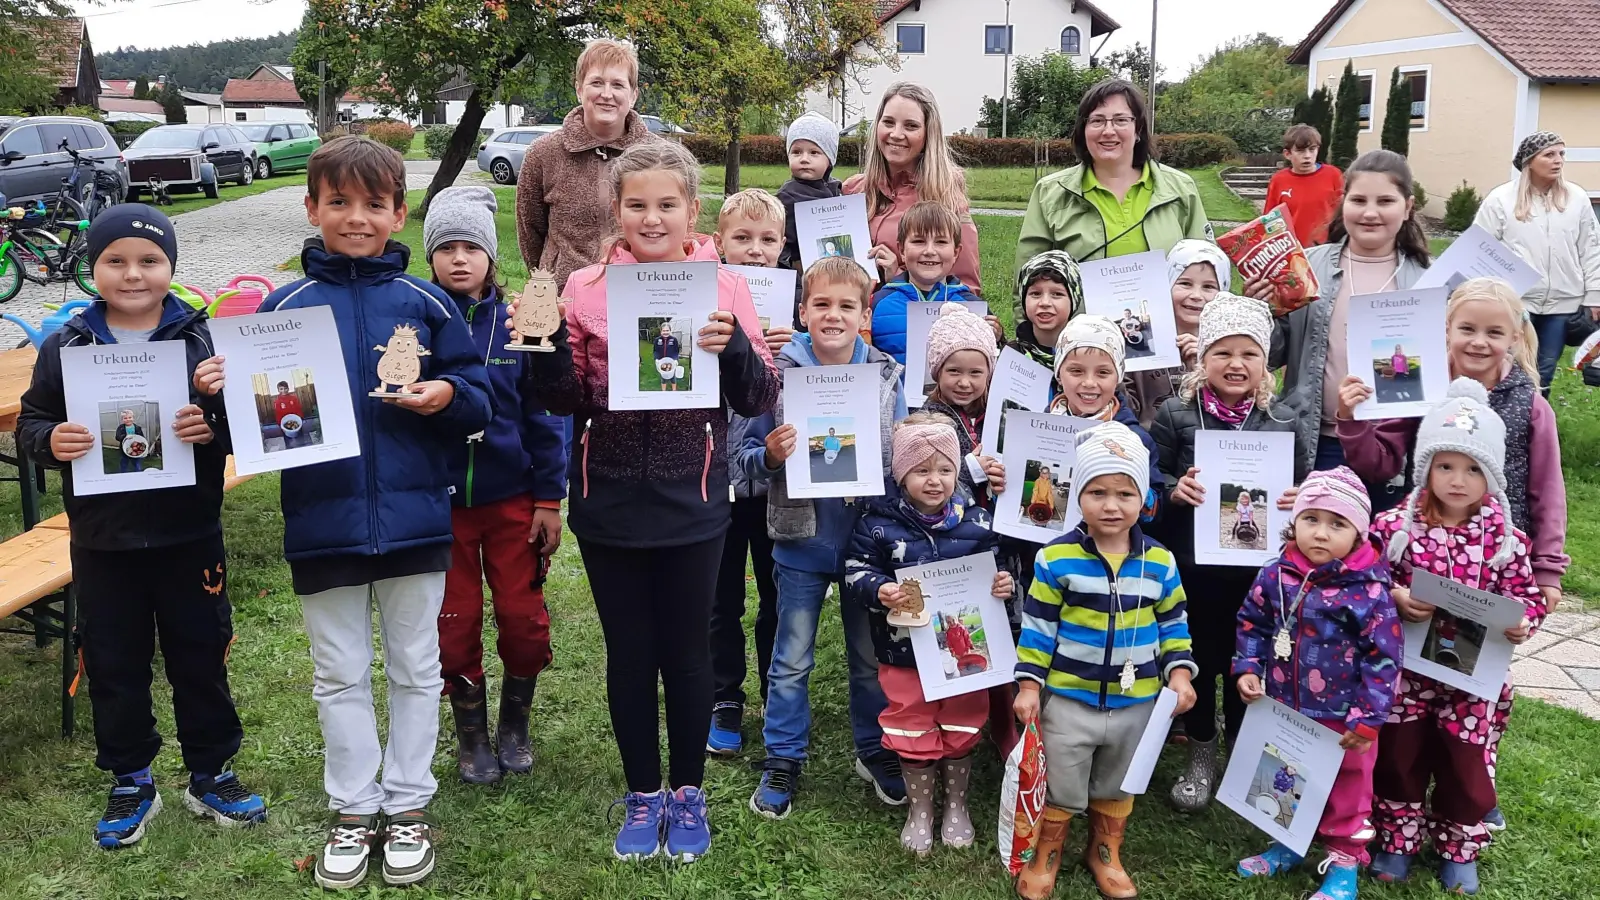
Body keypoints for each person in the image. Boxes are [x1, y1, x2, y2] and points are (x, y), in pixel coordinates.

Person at [195, 137, 493, 889]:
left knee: (417, 668)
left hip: (416, 523)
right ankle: (355, 808)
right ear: (312, 209)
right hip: (321, 525)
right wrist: (218, 395)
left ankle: (409, 802)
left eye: (373, 204)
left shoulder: (427, 304)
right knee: (339, 674)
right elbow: (242, 436)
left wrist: (447, 395)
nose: (356, 217)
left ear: (398, 212)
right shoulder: (281, 310)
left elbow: (480, 398)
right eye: (339, 202)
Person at [515, 139, 778, 863]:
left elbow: (759, 396)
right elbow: (562, 399)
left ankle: (687, 792)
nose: (652, 218)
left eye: (667, 204)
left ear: (693, 210)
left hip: (694, 500)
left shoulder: (725, 287)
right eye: (637, 205)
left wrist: (734, 348)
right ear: (616, 208)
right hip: (608, 500)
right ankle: (642, 792)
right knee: (630, 656)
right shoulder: (584, 287)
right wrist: (543, 345)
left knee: (688, 656)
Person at [19, 204, 266, 849]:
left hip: (190, 534)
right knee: (114, 662)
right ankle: (131, 778)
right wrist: (52, 440)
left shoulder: (201, 341)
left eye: (150, 260)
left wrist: (211, 425)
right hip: (104, 541)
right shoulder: (66, 346)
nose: (133, 274)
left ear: (171, 268)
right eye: (115, 261)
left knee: (201, 655)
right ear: (92, 268)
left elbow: (243, 427)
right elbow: (31, 422)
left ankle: (211, 772)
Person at [1336, 279, 1567, 834]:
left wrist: (1547, 570)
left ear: (1516, 337)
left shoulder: (1531, 405)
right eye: (1467, 328)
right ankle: (1399, 801)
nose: (1479, 341)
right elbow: (1380, 461)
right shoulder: (1418, 386)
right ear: (1446, 331)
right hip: (1420, 559)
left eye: (1494, 331)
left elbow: (1548, 490)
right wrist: (1353, 420)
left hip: (1492, 566)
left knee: (1476, 689)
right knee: (1408, 690)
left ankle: (1470, 791)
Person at [737, 255, 905, 820]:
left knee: (868, 658)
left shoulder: (887, 376)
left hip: (867, 544)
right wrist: (771, 455)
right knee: (791, 659)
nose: (833, 315)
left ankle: (874, 749)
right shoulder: (776, 376)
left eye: (846, 306)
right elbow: (745, 458)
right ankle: (783, 757)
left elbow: (905, 455)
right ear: (802, 311)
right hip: (801, 538)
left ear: (864, 317)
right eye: (822, 305)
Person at [1367, 380, 1547, 895]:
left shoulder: (1506, 540)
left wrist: (1522, 622)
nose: (1458, 480)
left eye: (1473, 469)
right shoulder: (1394, 529)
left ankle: (1458, 845)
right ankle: (1397, 840)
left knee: (1465, 765)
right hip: (1405, 675)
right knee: (1399, 757)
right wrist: (1395, 596)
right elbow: (1363, 580)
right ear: (1425, 468)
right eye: (1445, 466)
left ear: (1492, 476)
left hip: (1473, 683)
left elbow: (1526, 595)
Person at [1012, 421, 1197, 900]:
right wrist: (1029, 686)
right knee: (1061, 779)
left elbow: (1174, 622)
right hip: (1069, 698)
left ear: (1143, 499)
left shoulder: (1161, 562)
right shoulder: (1056, 558)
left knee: (1119, 781)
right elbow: (1038, 627)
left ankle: (1105, 851)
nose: (1111, 505)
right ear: (1078, 496)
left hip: (1137, 700)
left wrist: (1179, 673)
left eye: (1124, 493)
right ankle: (1047, 852)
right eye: (1097, 492)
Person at [424, 186, 563, 786]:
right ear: (429, 256)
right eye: (446, 248)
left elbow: (544, 414)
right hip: (441, 506)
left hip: (513, 501)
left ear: (491, 255)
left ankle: (514, 723)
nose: (459, 259)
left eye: (471, 247)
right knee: (453, 624)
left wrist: (549, 498)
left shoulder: (517, 325)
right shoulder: (417, 322)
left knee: (523, 619)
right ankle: (472, 734)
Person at [1152, 294, 1306, 813]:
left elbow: (1304, 485)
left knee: (1249, 661)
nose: (1235, 364)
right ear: (1203, 358)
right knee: (1198, 658)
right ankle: (1201, 751)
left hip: (1256, 579)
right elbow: (1152, 480)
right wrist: (1174, 490)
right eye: (1222, 352)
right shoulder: (1176, 413)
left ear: (1266, 362)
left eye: (1249, 354)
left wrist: (1296, 499)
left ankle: (1242, 750)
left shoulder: (1281, 420)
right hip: (1193, 571)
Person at [844, 412, 1014, 856]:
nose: (934, 480)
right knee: (911, 723)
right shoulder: (877, 523)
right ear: (901, 475)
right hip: (903, 652)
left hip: (965, 653)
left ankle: (956, 804)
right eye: (921, 470)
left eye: (944, 469)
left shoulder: (978, 521)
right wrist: (878, 589)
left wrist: (1003, 583)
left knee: (963, 719)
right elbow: (855, 571)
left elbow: (1000, 567)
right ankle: (920, 810)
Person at [1233, 466, 1402, 900]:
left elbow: (1384, 658)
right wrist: (1248, 667)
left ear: (1359, 533)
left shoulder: (1369, 591)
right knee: (1285, 775)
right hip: (1285, 707)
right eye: (1311, 519)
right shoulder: (1275, 575)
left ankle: (1344, 864)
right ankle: (1288, 843)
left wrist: (1367, 719)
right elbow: (1252, 622)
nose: (1321, 533)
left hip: (1344, 718)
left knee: (1347, 790)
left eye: (1337, 523)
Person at [1250, 149, 1431, 489]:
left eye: (1385, 201)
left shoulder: (1429, 281)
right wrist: (1259, 313)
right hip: (1313, 440)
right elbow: (1270, 356)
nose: (1370, 213)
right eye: (1358, 200)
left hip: (1388, 448)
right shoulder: (1305, 267)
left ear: (1407, 207)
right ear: (1343, 202)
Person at [1014, 77, 1212, 316]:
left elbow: (1209, 271)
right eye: (1097, 120)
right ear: (1083, 130)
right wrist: (1029, 334)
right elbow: (1025, 282)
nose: (1108, 131)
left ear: (1138, 130)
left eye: (1120, 120)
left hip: (1170, 336)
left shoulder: (1181, 189)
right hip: (1076, 337)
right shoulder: (1050, 192)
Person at [708, 188, 789, 758]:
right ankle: (724, 697)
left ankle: (774, 691)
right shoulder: (704, 303)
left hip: (777, 483)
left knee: (777, 593)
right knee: (720, 598)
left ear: (782, 246)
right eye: (743, 238)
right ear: (720, 243)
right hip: (717, 475)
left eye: (767, 240)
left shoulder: (795, 310)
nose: (755, 250)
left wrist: (795, 347)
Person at [515, 38, 659, 292]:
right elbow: (530, 231)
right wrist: (550, 277)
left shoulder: (659, 155)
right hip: (564, 297)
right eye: (596, 83)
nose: (607, 94)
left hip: (639, 294)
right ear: (579, 89)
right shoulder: (543, 153)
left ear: (633, 95)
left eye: (618, 84)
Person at [1474, 131, 1600, 393]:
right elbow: (1479, 248)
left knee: (1545, 371)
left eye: (1561, 154)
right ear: (1529, 161)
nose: (1558, 160)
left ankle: (1538, 418)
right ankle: (1506, 414)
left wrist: (1594, 296)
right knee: (1510, 367)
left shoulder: (1577, 198)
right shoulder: (1500, 199)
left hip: (1563, 303)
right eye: (1549, 154)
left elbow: (1592, 249)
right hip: (1517, 303)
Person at [842, 82, 981, 292]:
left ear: (928, 134)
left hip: (905, 313)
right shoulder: (852, 190)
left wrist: (899, 278)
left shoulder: (946, 196)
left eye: (910, 126)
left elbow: (967, 290)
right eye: (888, 122)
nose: (896, 134)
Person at [1047, 315, 1163, 511]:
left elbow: (1156, 511)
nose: (1089, 383)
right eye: (1076, 371)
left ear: (1118, 376)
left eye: (1103, 372)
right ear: (1059, 374)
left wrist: (1138, 492)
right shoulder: (1036, 429)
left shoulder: (1135, 438)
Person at [1126, 240, 1231, 426]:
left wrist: (1204, 367)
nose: (1196, 295)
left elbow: (1234, 408)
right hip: (1146, 438)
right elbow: (1125, 409)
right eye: (1185, 283)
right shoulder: (1139, 345)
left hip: (1204, 438)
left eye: (1208, 287)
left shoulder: (1230, 346)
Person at [869, 201, 987, 366]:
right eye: (919, 241)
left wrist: (995, 336)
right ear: (902, 250)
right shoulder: (877, 304)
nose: (930, 251)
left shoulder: (972, 307)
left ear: (956, 252)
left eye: (941, 242)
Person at [778, 112, 843, 325]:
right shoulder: (786, 197)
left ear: (830, 159)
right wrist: (792, 268)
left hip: (837, 273)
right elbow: (780, 244)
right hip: (801, 277)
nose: (804, 159)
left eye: (814, 152)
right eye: (796, 152)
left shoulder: (838, 192)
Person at [1010, 251, 1086, 381]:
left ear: (1074, 300)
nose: (1045, 303)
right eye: (1036, 294)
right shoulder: (1011, 356)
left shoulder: (1090, 355)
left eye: (1057, 294)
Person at [1265, 124, 1345, 248]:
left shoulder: (1333, 174)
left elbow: (1343, 213)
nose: (1307, 155)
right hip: (1293, 250)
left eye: (1312, 149)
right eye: (1300, 151)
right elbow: (1270, 219)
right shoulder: (1278, 180)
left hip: (1327, 248)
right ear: (1287, 154)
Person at [115, 408, 146, 473]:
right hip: (124, 449)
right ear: (122, 420)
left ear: (133, 418)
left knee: (137, 463)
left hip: (135, 449)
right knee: (124, 463)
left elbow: (142, 437)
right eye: (125, 418)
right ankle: (123, 473)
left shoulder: (137, 428)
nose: (128, 419)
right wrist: (125, 436)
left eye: (130, 417)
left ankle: (138, 473)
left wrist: (143, 447)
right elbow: (117, 437)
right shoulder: (120, 428)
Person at [654, 322, 682, 392]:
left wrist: (675, 359)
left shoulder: (674, 340)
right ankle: (663, 391)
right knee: (663, 377)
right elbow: (655, 351)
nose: (665, 332)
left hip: (671, 362)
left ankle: (674, 390)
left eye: (667, 330)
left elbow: (676, 351)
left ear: (670, 331)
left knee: (673, 377)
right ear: (661, 331)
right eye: (664, 331)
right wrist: (656, 359)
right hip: (662, 362)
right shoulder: (657, 340)